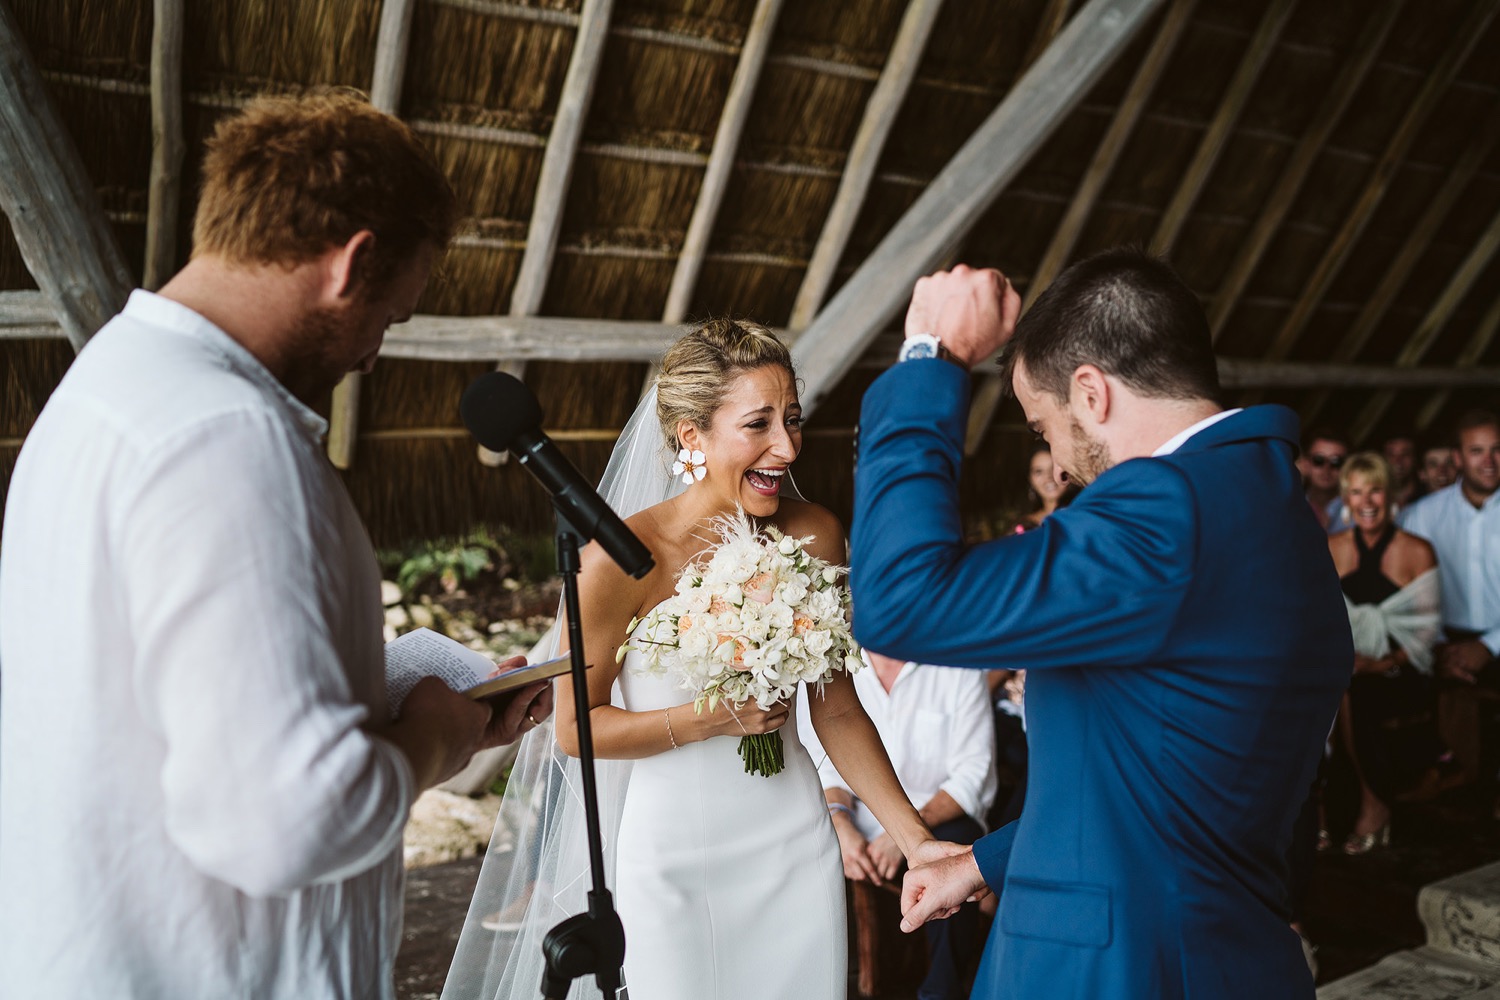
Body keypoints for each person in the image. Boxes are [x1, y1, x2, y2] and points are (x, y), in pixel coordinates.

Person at [0, 93, 553, 998]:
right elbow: (282, 820)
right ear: (354, 262)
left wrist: (406, 674)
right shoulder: (224, 439)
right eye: (391, 317)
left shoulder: (109, 389)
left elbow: (175, 694)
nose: (374, 354)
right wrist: (433, 742)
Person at [851, 250, 1351, 1000]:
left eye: (1042, 425)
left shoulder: (1165, 515)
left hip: (1118, 972)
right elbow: (1167, 790)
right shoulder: (1270, 502)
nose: (1054, 457)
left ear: (1091, 392)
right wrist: (981, 863)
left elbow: (898, 602)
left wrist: (932, 355)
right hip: (1215, 949)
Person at [443, 320, 955, 1000]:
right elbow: (576, 729)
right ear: (692, 437)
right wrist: (712, 717)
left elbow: (836, 710)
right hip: (673, 857)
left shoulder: (815, 531)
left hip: (791, 839)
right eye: (759, 424)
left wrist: (916, 841)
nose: (786, 445)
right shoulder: (615, 560)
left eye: (792, 419)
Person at [804, 651, 997, 1000]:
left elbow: (972, 774)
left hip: (935, 818)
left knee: (954, 853)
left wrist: (904, 836)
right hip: (856, 817)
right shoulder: (830, 658)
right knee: (811, 843)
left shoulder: (958, 666)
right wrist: (839, 821)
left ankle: (941, 990)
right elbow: (824, 764)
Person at [1325, 453, 1440, 854]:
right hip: (1345, 667)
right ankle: (1323, 808)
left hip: (1401, 671)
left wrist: (1382, 663)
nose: (1367, 501)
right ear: (1346, 500)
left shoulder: (1417, 550)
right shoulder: (1331, 548)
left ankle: (1374, 806)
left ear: (1390, 495)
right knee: (1318, 693)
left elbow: (1426, 634)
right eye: (1356, 492)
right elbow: (1318, 620)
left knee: (1354, 694)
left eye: (1375, 489)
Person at [1398, 410, 1500, 790]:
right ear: (1457, 458)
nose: (1488, 461)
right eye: (1477, 451)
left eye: (1496, 450)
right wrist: (1438, 647)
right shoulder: (1422, 516)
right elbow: (1407, 596)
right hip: (1439, 641)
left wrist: (1487, 646)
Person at [1301, 427, 1351, 532]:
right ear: (1305, 463)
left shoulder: (1360, 510)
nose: (1326, 468)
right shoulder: (1289, 506)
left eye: (1336, 462)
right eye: (1318, 460)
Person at [1383, 433, 1421, 509]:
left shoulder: (1426, 497)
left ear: (1414, 459)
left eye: (1405, 454)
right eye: (1391, 455)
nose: (1398, 461)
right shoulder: (1373, 499)